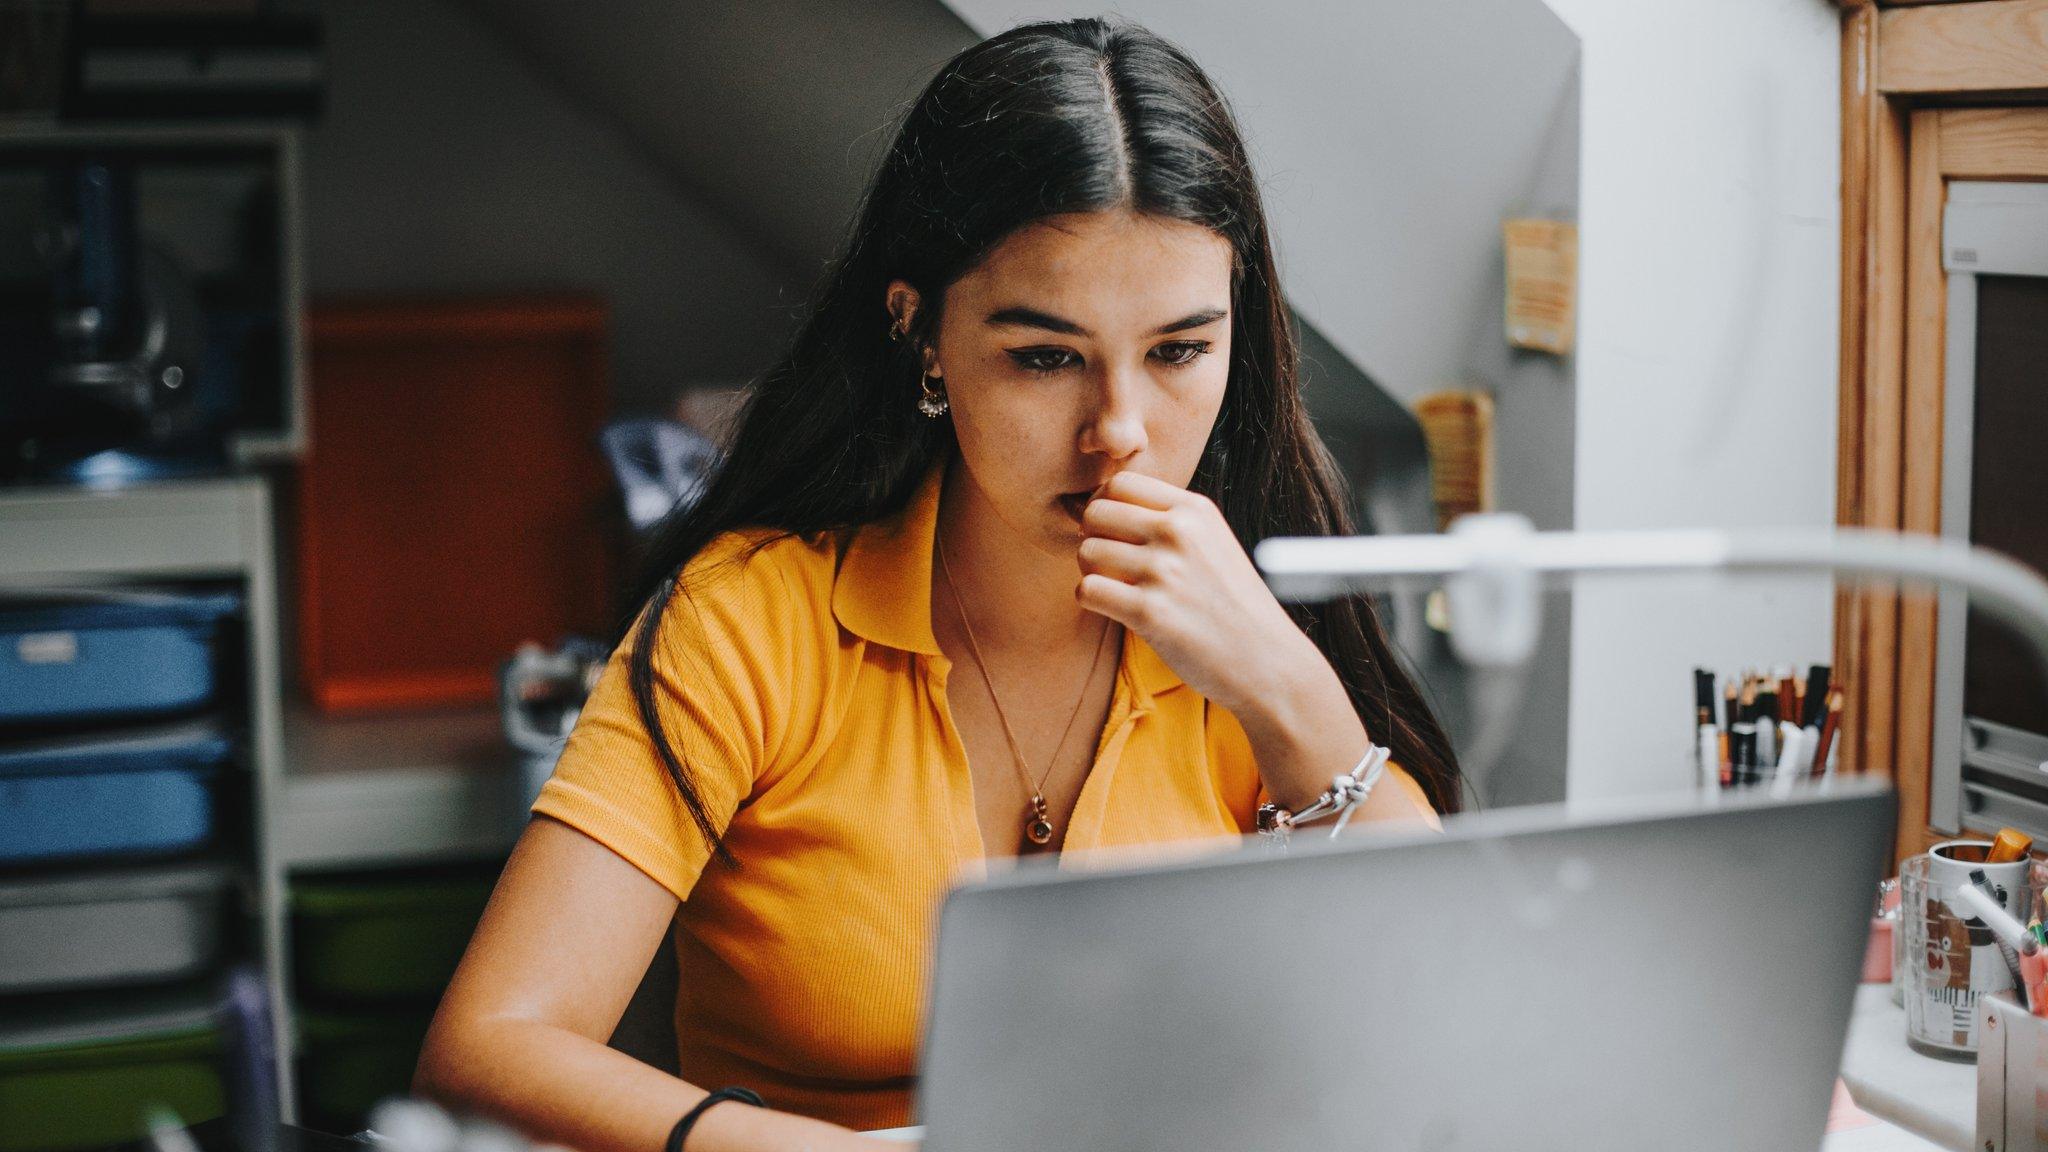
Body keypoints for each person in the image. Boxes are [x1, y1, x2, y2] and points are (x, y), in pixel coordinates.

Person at [414, 17, 1461, 1152]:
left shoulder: (1253, 628)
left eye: (1176, 352)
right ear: (921, 335)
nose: (1119, 434)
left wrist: (1285, 687)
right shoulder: (750, 620)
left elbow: (1439, 1013)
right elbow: (485, 1051)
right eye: (1044, 357)